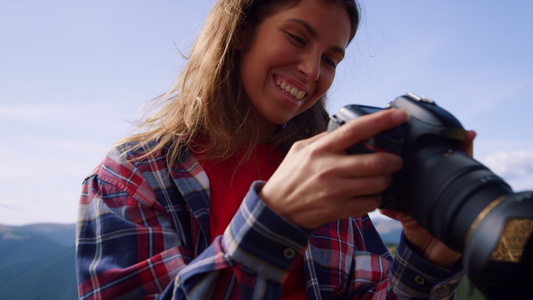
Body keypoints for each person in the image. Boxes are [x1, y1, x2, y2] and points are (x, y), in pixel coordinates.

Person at [76, 0, 475, 299]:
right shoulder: (131, 178)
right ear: (241, 31)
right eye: (297, 38)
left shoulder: (329, 169)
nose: (312, 71)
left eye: (331, 59)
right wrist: (275, 218)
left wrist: (426, 256)